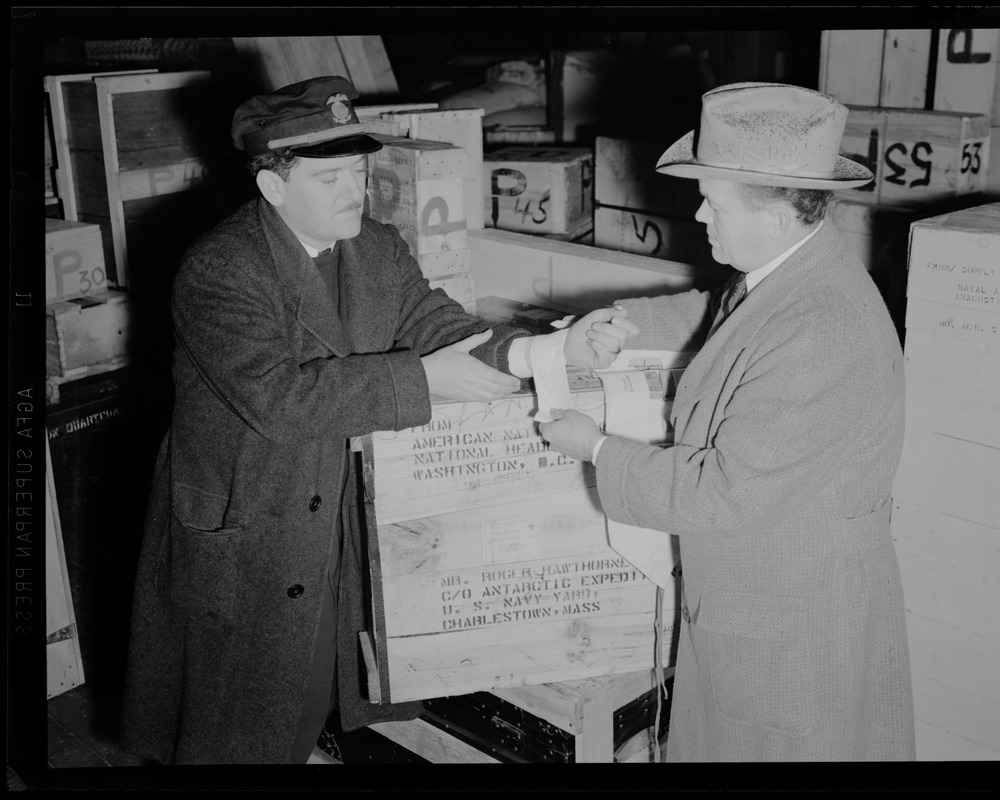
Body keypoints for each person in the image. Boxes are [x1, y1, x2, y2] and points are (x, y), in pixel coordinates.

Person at [119, 76, 635, 765]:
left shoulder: (378, 247)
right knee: (239, 721)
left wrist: (552, 348)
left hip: (333, 512)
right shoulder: (220, 269)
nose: (353, 192)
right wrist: (424, 379)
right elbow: (279, 400)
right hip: (253, 519)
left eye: (358, 172)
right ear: (273, 188)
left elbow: (443, 329)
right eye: (329, 177)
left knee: (314, 687)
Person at [540, 82, 916, 762]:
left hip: (793, 620)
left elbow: (720, 493)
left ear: (774, 213)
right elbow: (723, 317)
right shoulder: (794, 268)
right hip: (770, 594)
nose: (700, 213)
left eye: (714, 200)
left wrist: (592, 447)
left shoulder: (819, 332)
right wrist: (619, 326)